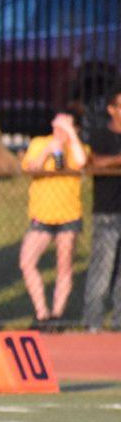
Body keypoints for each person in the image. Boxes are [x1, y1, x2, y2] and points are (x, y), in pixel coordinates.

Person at [19, 107, 89, 330]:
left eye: (65, 126)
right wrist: (48, 151)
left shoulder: (78, 147)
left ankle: (57, 316)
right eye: (57, 126)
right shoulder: (40, 143)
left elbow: (81, 162)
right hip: (42, 214)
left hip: (68, 215)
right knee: (27, 261)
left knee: (64, 265)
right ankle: (42, 313)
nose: (59, 130)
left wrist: (71, 134)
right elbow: (31, 167)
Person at [83, 87, 121, 332]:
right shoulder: (100, 135)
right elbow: (94, 163)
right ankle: (93, 324)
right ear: (112, 109)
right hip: (107, 211)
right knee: (102, 269)